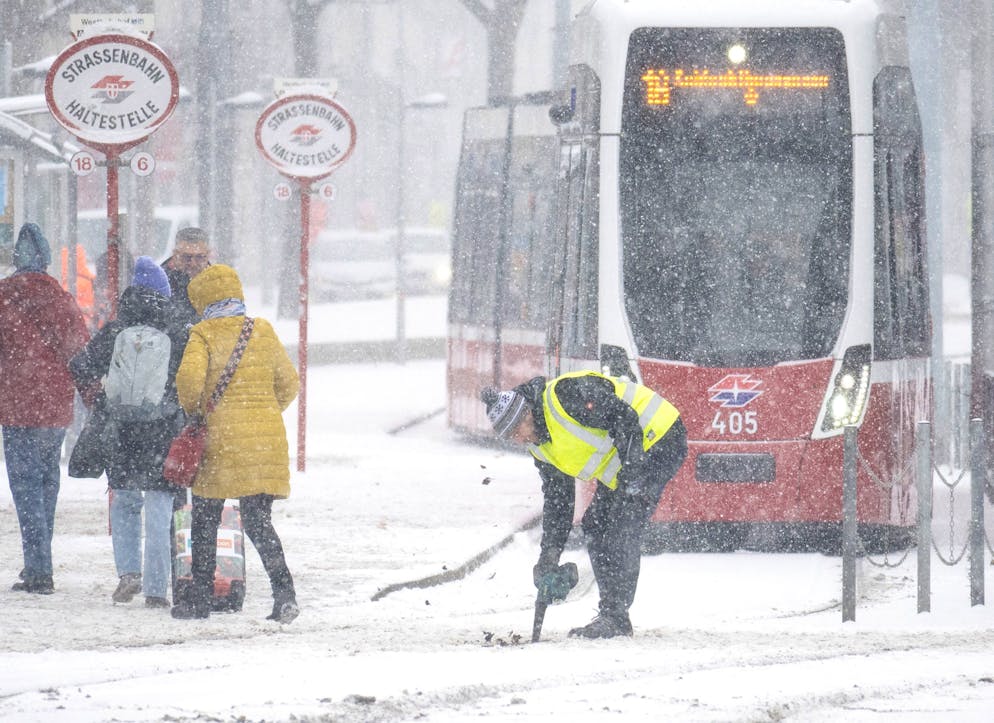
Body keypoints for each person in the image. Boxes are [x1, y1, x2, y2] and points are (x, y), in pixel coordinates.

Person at [481, 370, 688, 638]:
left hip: (659, 437)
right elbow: (559, 501)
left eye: (516, 431)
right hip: (627, 461)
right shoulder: (540, 447)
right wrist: (550, 555)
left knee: (622, 521)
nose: (518, 440)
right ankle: (613, 616)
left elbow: (624, 417)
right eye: (510, 438)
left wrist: (631, 480)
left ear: (527, 412)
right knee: (596, 523)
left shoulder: (566, 397)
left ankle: (615, 617)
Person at [170, 264, 301, 623]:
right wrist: (264, 412)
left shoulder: (203, 334)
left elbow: (189, 383)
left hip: (219, 443)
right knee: (259, 523)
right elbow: (289, 384)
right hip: (265, 444)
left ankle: (199, 600)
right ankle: (284, 595)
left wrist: (197, 411)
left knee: (207, 520)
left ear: (203, 300)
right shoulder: (262, 330)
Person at [69, 257, 187, 608]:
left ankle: (128, 573)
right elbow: (191, 378)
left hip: (121, 431)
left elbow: (81, 365)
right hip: (162, 430)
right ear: (163, 293)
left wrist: (100, 398)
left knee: (124, 501)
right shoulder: (177, 330)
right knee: (160, 503)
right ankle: (156, 589)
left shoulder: (115, 329)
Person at [0, 223, 90, 594]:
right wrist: (91, 394)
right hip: (54, 407)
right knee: (47, 480)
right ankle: (40, 562)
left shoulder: (4, 298)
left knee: (25, 487)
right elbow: (79, 350)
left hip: (16, 404)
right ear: (47, 259)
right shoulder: (60, 298)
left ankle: (39, 568)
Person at [162, 227, 211, 331]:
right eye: (186, 257)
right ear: (175, 254)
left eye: (199, 257)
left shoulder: (219, 281)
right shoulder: (160, 281)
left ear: (208, 255)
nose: (193, 264)